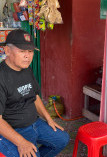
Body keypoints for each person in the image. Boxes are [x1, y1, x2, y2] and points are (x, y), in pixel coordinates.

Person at [0, 29, 70, 157]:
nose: (28, 56)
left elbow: (35, 96)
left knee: (62, 139)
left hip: (34, 122)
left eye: (30, 51)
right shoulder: (2, 77)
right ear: (7, 51)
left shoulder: (26, 69)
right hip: (13, 129)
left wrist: (49, 119)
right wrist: (21, 142)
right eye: (22, 51)